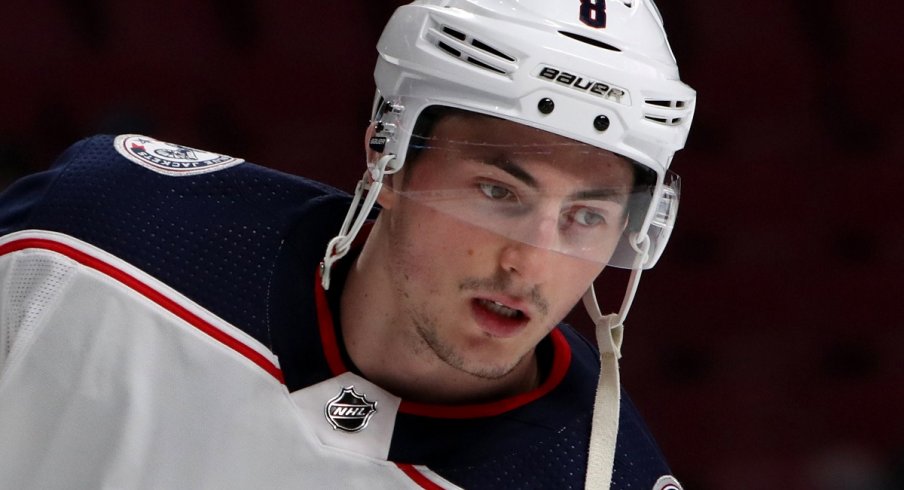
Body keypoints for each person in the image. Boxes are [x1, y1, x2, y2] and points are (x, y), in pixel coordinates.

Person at [0, 0, 694, 488]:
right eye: (496, 192)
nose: (531, 265)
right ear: (384, 159)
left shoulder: (607, 480)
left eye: (586, 216)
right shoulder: (97, 235)